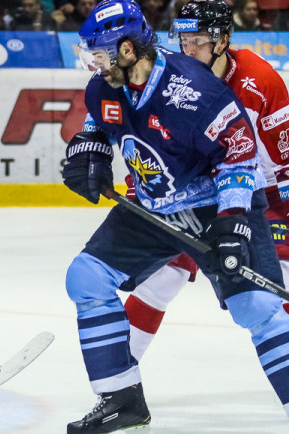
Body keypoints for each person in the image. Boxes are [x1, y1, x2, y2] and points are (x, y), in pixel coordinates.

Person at [63, 0, 289, 432]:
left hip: (211, 206)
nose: (94, 62)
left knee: (256, 307)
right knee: (87, 277)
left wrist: (233, 218)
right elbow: (99, 121)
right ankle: (122, 402)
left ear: (128, 50)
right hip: (154, 208)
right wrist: (87, 149)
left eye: (100, 52)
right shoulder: (105, 85)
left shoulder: (195, 93)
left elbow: (240, 159)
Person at [125, 0, 289, 362]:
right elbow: (146, 139)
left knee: (273, 289)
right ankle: (118, 380)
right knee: (165, 275)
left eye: (198, 39)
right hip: (196, 194)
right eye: (183, 40)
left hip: (259, 196)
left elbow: (284, 159)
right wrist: (142, 186)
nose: (188, 49)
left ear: (223, 40)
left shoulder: (259, 81)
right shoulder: (169, 78)